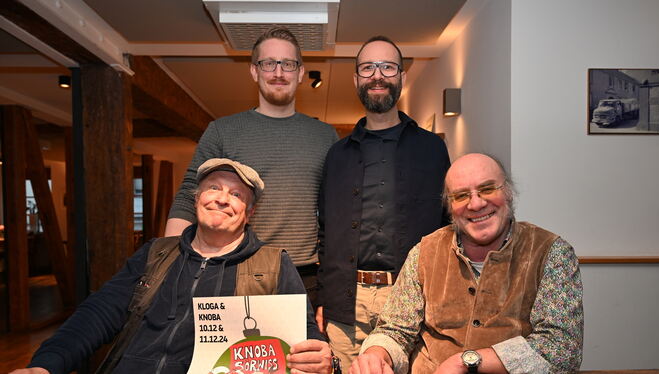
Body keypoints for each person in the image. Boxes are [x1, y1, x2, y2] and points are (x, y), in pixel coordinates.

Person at [11, 158, 332, 374]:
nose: (222, 199)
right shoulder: (155, 253)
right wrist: (46, 364)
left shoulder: (274, 264)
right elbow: (99, 312)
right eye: (213, 188)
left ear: (248, 213)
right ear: (196, 199)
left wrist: (320, 357)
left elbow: (302, 334)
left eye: (236, 194)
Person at [350, 153, 584, 374]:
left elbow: (561, 348)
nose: (475, 204)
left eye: (487, 189)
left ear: (509, 193)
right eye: (461, 195)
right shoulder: (424, 252)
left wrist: (466, 361)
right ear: (449, 206)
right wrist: (376, 354)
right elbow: (396, 329)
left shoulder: (551, 252)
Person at [165, 27, 339, 303]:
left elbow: (336, 214)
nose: (279, 72)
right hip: (232, 271)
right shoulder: (222, 131)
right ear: (254, 72)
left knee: (301, 348)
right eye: (269, 63)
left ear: (301, 73)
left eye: (288, 64)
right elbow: (189, 194)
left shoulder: (326, 136)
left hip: (305, 277)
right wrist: (171, 268)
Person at [315, 36, 450, 373]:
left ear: (401, 76)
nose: (377, 75)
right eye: (367, 67)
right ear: (356, 79)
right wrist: (324, 297)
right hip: (347, 303)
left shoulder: (432, 149)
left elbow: (450, 227)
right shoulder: (337, 155)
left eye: (388, 66)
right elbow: (325, 232)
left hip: (414, 302)